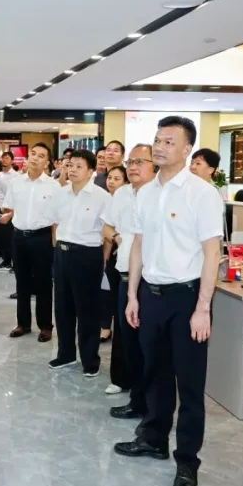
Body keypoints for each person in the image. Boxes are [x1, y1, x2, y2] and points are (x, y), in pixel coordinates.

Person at [114, 116, 223, 486]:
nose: (159, 147)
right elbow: (138, 245)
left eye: (169, 141)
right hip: (151, 296)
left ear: (187, 149)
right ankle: (154, 438)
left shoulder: (202, 194)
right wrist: (133, 295)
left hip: (187, 299)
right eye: (158, 140)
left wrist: (203, 308)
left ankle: (187, 461)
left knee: (189, 384)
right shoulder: (145, 193)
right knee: (154, 374)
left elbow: (212, 254)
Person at [48, 149, 112, 376]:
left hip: (87, 255)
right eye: (70, 165)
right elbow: (55, 223)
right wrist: (57, 247)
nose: (72, 170)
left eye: (78, 166)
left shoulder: (102, 197)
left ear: (91, 171)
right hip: (62, 253)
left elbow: (107, 231)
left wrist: (103, 260)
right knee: (62, 307)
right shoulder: (61, 193)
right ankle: (65, 354)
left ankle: (90, 360)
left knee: (87, 311)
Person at [102, 145, 155, 400]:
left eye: (140, 162)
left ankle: (145, 393)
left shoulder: (159, 195)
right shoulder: (122, 193)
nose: (133, 167)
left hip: (150, 279)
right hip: (124, 273)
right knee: (124, 334)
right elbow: (106, 225)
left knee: (147, 339)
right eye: (130, 162)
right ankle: (124, 382)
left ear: (154, 165)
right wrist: (117, 238)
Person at [0, 143, 60, 342]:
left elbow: (57, 218)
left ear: (47, 163)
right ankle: (23, 324)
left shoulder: (53, 186)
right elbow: (9, 207)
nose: (35, 158)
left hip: (42, 237)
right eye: (33, 154)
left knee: (44, 282)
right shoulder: (16, 183)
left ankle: (45, 326)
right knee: (22, 282)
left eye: (41, 156)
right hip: (19, 237)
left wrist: (55, 242)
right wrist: (9, 215)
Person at [99, 166, 127, 343]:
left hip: (122, 252)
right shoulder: (104, 199)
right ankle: (105, 327)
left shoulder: (127, 199)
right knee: (106, 292)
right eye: (110, 177)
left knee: (119, 293)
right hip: (105, 251)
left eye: (117, 179)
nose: (111, 182)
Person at [0, 153, 18, 271]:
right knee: (1, 236)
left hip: (5, 210)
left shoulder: (15, 175)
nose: (4, 160)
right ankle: (5, 259)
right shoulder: (0, 175)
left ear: (12, 160)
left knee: (7, 237)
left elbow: (10, 193)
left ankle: (9, 262)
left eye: (7, 158)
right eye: (3, 158)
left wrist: (7, 209)